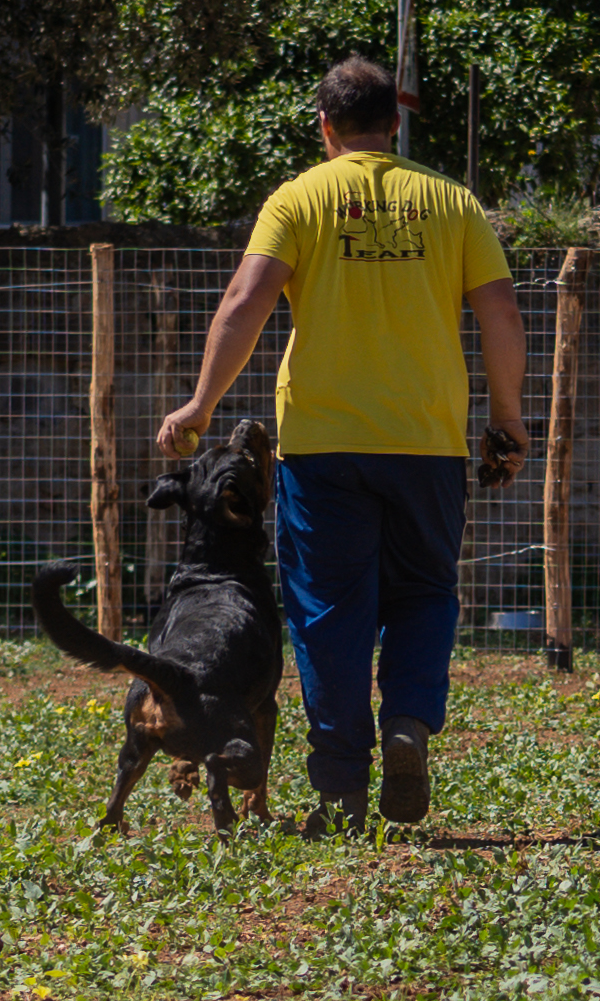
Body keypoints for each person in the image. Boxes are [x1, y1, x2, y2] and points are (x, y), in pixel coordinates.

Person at [157, 56, 530, 833]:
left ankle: (341, 792)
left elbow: (245, 300)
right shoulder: (451, 202)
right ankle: (409, 726)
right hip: (427, 443)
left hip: (323, 447)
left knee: (328, 613)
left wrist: (201, 404)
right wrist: (508, 413)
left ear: (324, 127)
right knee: (426, 592)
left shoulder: (300, 199)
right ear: (395, 123)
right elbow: (500, 310)